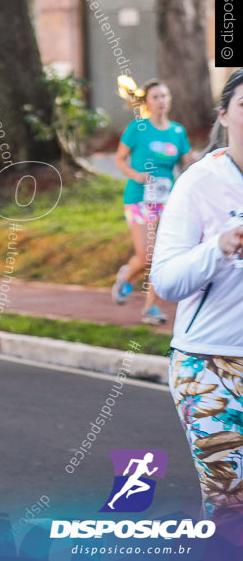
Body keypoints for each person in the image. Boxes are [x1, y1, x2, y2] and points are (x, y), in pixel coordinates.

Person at [152, 68, 243, 535]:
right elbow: (165, 281)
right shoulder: (200, 183)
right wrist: (219, 248)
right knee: (232, 506)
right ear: (225, 114)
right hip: (211, 367)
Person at [112, 79, 194, 325]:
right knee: (147, 256)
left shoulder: (178, 132)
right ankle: (127, 276)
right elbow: (119, 159)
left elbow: (189, 163)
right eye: (156, 97)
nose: (162, 101)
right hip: (138, 199)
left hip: (166, 202)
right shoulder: (138, 128)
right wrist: (136, 175)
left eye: (165, 96)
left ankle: (151, 309)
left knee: (161, 255)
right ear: (147, 101)